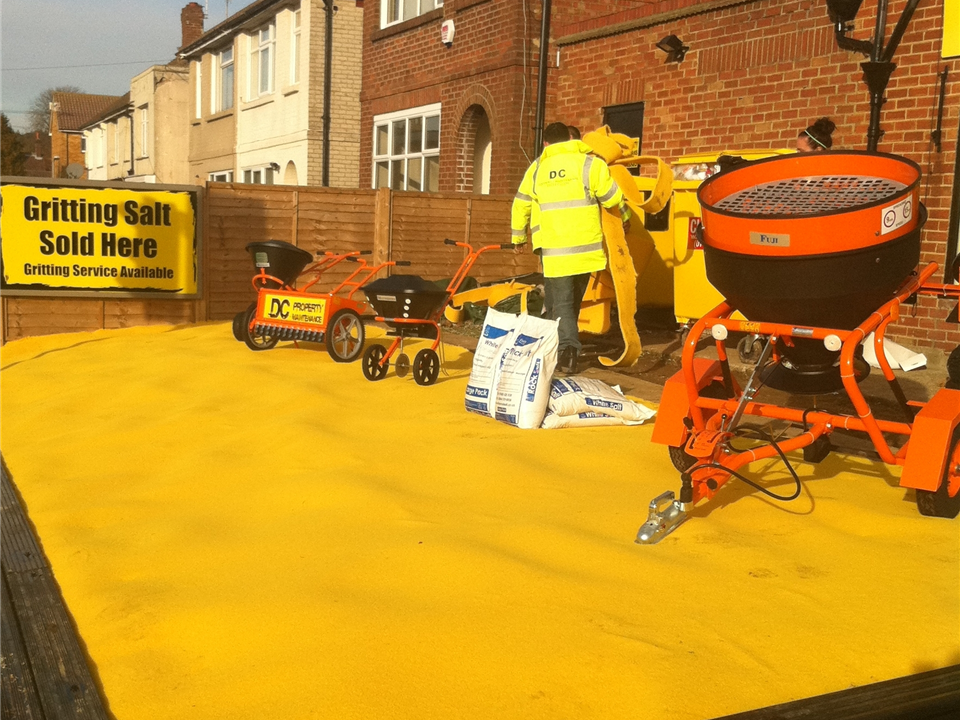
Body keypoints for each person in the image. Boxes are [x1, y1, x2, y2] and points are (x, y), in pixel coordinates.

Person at [511, 122, 628, 375]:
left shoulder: (537, 169)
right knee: (570, 303)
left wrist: (518, 237)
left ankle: (567, 351)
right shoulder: (590, 164)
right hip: (587, 252)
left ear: (546, 144)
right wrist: (625, 216)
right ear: (569, 138)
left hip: (556, 251)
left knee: (562, 304)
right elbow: (612, 198)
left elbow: (521, 204)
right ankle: (562, 346)